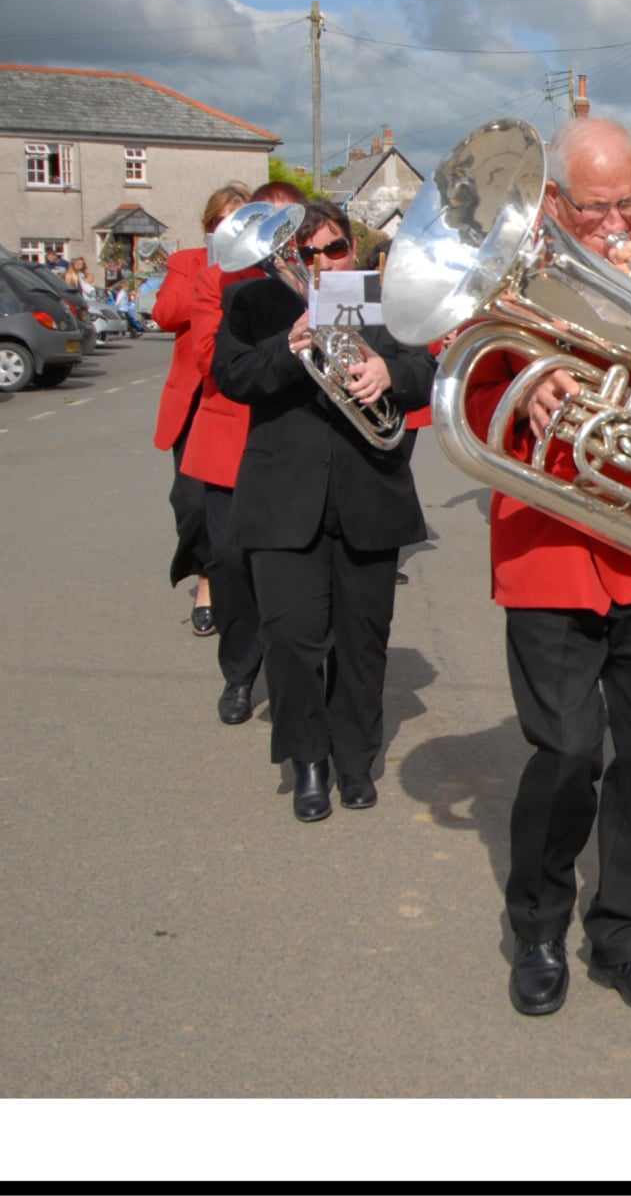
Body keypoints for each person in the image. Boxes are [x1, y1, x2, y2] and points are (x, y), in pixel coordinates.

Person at [467, 117, 631, 1019]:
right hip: (554, 545)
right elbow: (456, 376)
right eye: (595, 207)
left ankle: (625, 935)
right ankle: (537, 921)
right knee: (568, 750)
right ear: (551, 199)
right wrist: (518, 376)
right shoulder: (503, 260)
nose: (617, 221)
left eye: (628, 203)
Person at [213, 201, 433, 822]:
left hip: (369, 491)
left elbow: (426, 368)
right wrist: (290, 346)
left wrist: (390, 371)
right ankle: (307, 760)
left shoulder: (381, 300)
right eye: (305, 253)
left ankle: (355, 759)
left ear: (352, 250)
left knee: (364, 641)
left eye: (332, 249)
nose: (318, 263)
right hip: (283, 498)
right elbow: (232, 376)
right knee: (290, 638)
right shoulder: (253, 304)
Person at [181, 180, 306, 726]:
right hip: (231, 442)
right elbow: (211, 358)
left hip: (298, 445)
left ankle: (297, 679)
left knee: (296, 574)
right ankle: (239, 672)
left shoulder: (313, 275)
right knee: (231, 565)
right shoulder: (218, 280)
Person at [153, 182, 249, 635]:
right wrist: (209, 270)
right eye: (220, 223)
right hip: (196, 399)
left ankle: (241, 578)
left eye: (239, 222)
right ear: (209, 226)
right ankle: (207, 576)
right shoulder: (187, 262)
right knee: (191, 502)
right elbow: (166, 314)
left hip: (241, 393)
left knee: (241, 500)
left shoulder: (258, 266)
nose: (228, 231)